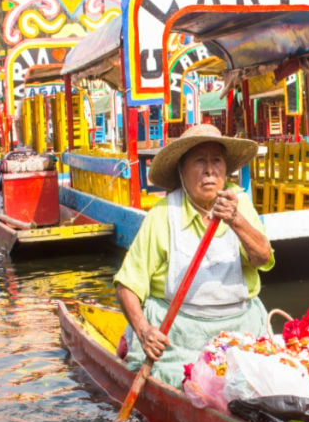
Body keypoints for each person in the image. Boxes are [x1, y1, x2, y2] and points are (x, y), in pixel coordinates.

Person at [114, 123, 274, 387]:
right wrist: (144, 331)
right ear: (182, 171)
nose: (210, 170)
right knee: (185, 383)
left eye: (216, 161)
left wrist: (236, 220)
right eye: (200, 161)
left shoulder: (240, 204)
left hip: (241, 331)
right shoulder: (163, 214)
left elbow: (263, 258)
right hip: (179, 337)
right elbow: (126, 285)